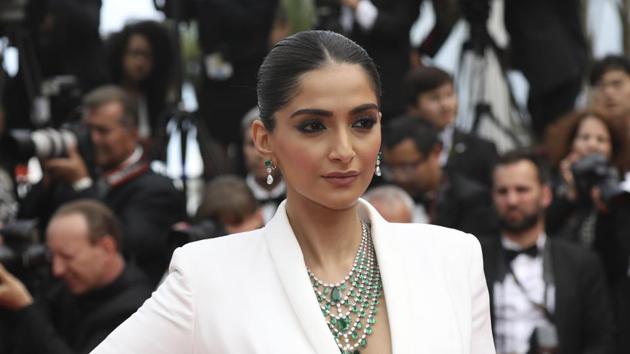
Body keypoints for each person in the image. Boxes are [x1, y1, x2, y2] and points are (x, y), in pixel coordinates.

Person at [91, 30, 494, 353]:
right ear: (264, 140)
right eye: (313, 126)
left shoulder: (453, 258)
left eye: (362, 123)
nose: (343, 151)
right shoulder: (207, 277)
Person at [18, 85, 187, 286]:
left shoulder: (158, 190)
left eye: (103, 131)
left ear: (132, 134)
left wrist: (81, 185)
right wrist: (47, 181)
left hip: (126, 305)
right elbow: (25, 221)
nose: (93, 139)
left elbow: (124, 245)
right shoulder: (77, 175)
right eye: (88, 130)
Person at [480, 149, 614, 354]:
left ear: (546, 195)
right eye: (502, 192)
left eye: (522, 190)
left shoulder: (580, 263)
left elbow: (600, 340)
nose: (512, 200)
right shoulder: (474, 258)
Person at [0, 199, 152, 354]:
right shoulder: (71, 284)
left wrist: (24, 308)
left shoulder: (138, 312)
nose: (57, 270)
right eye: (52, 257)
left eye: (67, 257)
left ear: (107, 248)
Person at [381, 116, 498, 236]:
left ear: (436, 152)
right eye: (390, 168)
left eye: (407, 167)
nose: (399, 177)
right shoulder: (381, 198)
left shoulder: (472, 200)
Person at [403, 65, 498, 187]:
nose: (445, 105)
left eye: (449, 95)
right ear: (413, 108)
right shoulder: (400, 148)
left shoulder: (482, 149)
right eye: (434, 98)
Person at [105, 20, 176, 156]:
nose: (140, 62)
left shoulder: (155, 101)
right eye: (135, 53)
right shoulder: (107, 98)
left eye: (147, 55)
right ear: (121, 55)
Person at [240, 107, 286, 222]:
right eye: (252, 144)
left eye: (268, 143)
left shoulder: (305, 199)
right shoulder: (227, 200)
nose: (260, 153)